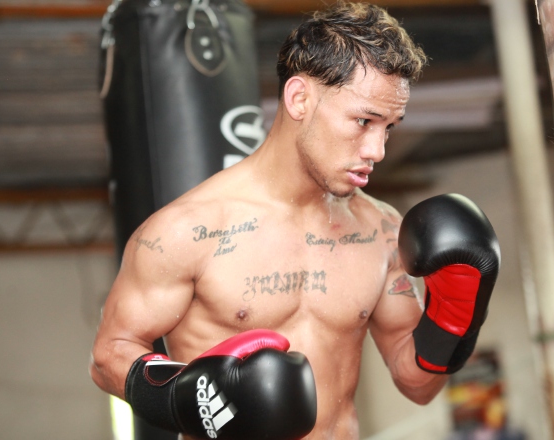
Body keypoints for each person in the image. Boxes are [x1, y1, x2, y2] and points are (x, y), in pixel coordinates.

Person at [90, 2, 499, 439]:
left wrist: (457, 318)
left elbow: (417, 384)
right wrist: (187, 396)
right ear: (299, 98)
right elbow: (108, 356)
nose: (377, 150)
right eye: (363, 121)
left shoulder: (378, 230)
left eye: (389, 127)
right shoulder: (187, 231)